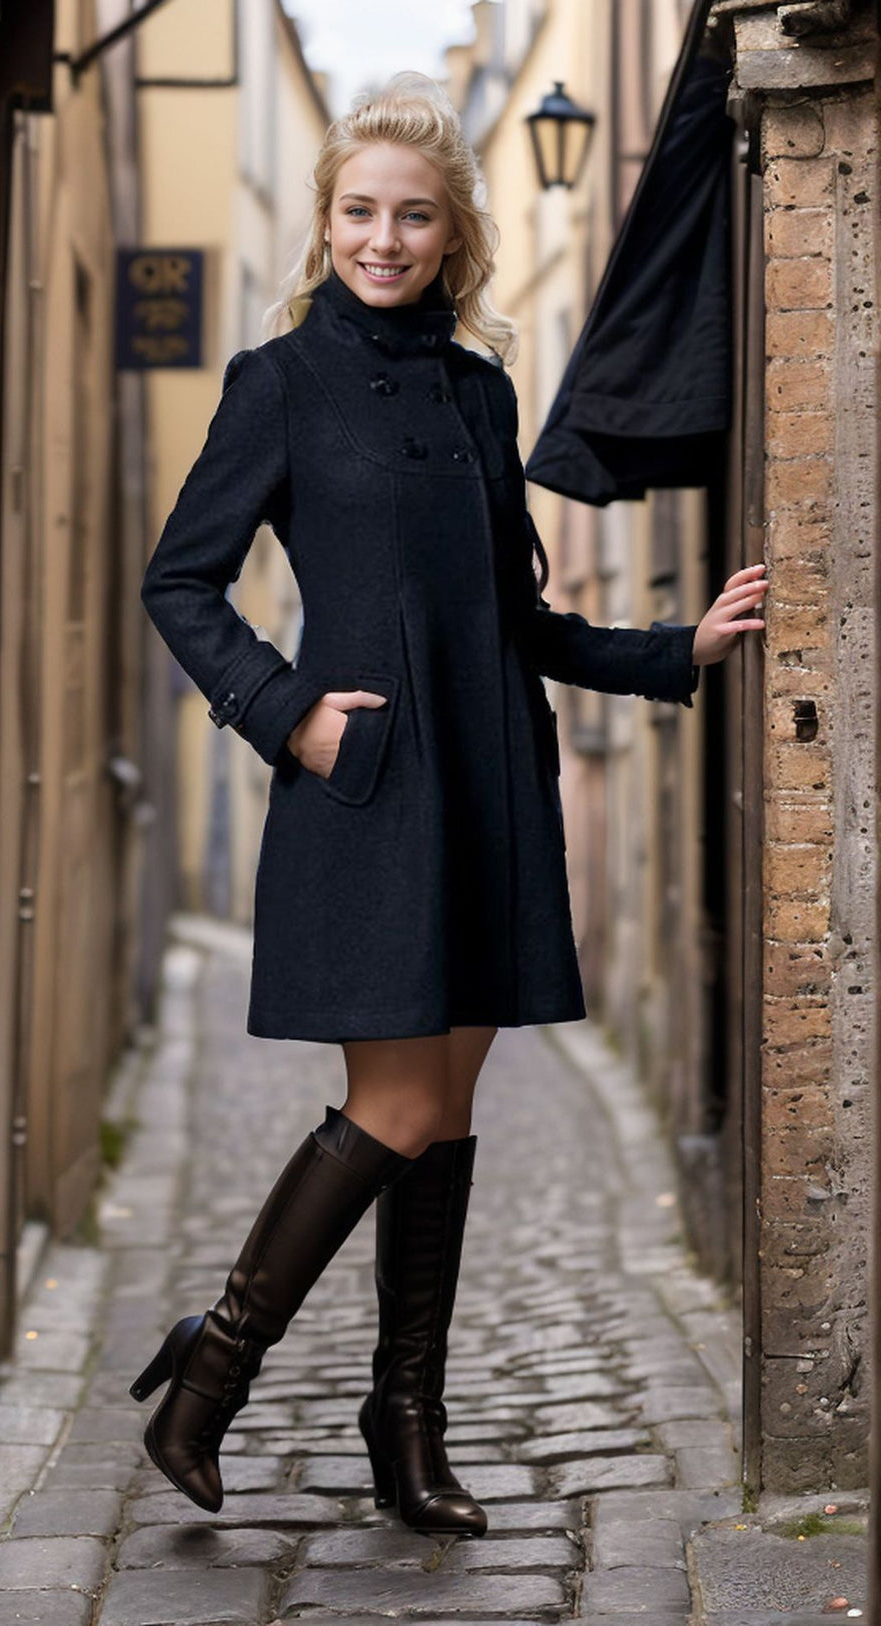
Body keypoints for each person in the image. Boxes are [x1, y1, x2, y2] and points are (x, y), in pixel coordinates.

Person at [131, 71, 768, 1538]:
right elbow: (181, 581)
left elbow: (517, 619)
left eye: (413, 217)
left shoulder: (484, 395)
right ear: (326, 223)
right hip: (368, 785)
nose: (384, 239)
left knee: (449, 1111)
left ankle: (405, 1421)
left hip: (488, 781)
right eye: (360, 212)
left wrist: (675, 649)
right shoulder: (276, 382)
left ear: (454, 234)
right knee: (398, 1103)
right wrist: (285, 712)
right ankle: (211, 1368)